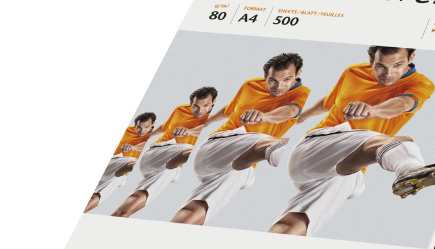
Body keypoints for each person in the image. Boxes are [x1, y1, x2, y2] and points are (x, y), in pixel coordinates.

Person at [269, 46, 435, 236]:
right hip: (314, 149)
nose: (388, 74)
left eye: (397, 65)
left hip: (346, 170)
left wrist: (373, 110)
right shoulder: (353, 72)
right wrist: (301, 117)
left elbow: (404, 103)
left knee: (298, 221)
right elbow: (329, 101)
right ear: (371, 60)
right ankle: (410, 169)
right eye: (380, 66)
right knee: (397, 142)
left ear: (411, 58)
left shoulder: (420, 84)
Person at [171, 53, 309, 225]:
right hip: (217, 145)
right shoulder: (250, 85)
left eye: (287, 79)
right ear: (265, 75)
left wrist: (264, 116)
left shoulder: (302, 94)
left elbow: (290, 111)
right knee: (269, 145)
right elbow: (227, 111)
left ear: (298, 73)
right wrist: (200, 126)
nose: (278, 86)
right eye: (273, 80)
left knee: (198, 207)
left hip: (233, 165)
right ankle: (272, 151)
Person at [111, 87, 217, 218]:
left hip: (159, 160)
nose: (200, 110)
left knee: (134, 199)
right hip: (161, 150)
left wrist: (189, 131)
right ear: (191, 103)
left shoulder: (209, 118)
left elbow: (206, 124)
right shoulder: (180, 110)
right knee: (187, 154)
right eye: (196, 106)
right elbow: (165, 127)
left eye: (205, 106)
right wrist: (146, 137)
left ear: (213, 103)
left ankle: (117, 213)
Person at [84, 112, 157, 212]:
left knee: (98, 193)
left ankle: (124, 169)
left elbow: (144, 144)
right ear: (135, 125)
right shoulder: (127, 130)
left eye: (146, 127)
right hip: (113, 160)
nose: (142, 131)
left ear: (152, 125)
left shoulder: (151, 135)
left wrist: (133, 148)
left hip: (121, 166)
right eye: (139, 127)